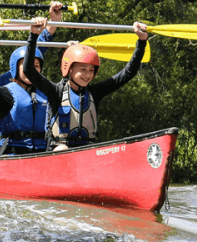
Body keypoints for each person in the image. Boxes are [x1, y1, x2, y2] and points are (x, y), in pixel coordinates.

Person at [23, 17, 148, 151]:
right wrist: (34, 36)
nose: (88, 75)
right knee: (62, 149)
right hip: (60, 152)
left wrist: (141, 42)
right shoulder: (56, 91)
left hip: (86, 153)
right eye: (82, 70)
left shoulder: (95, 93)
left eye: (91, 70)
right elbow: (29, 71)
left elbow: (127, 73)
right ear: (69, 70)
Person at [0, 3, 66, 154]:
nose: (32, 70)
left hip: (42, 153)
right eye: (28, 66)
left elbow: (37, 51)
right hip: (13, 152)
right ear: (15, 69)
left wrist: (71, 54)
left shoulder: (47, 92)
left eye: (37, 66)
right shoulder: (6, 93)